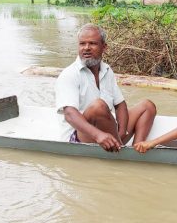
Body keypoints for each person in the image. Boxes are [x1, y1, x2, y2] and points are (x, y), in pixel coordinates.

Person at [55, 24, 156, 152]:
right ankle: (122, 151)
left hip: (108, 135)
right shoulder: (69, 74)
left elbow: (120, 105)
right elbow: (69, 114)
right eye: (82, 44)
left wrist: (122, 131)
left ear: (104, 47)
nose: (86, 48)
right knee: (98, 107)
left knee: (147, 106)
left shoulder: (107, 70)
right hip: (80, 137)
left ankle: (137, 150)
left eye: (92, 43)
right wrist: (98, 135)